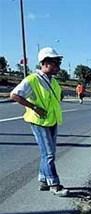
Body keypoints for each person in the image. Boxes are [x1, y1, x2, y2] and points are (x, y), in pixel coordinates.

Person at [10, 47, 68, 196]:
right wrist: (34, 107)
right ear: (45, 63)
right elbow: (14, 95)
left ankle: (43, 181)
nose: (58, 67)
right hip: (39, 121)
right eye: (55, 63)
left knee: (48, 153)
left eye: (58, 63)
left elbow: (58, 96)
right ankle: (54, 185)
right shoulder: (32, 79)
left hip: (52, 120)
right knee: (49, 154)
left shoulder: (52, 81)